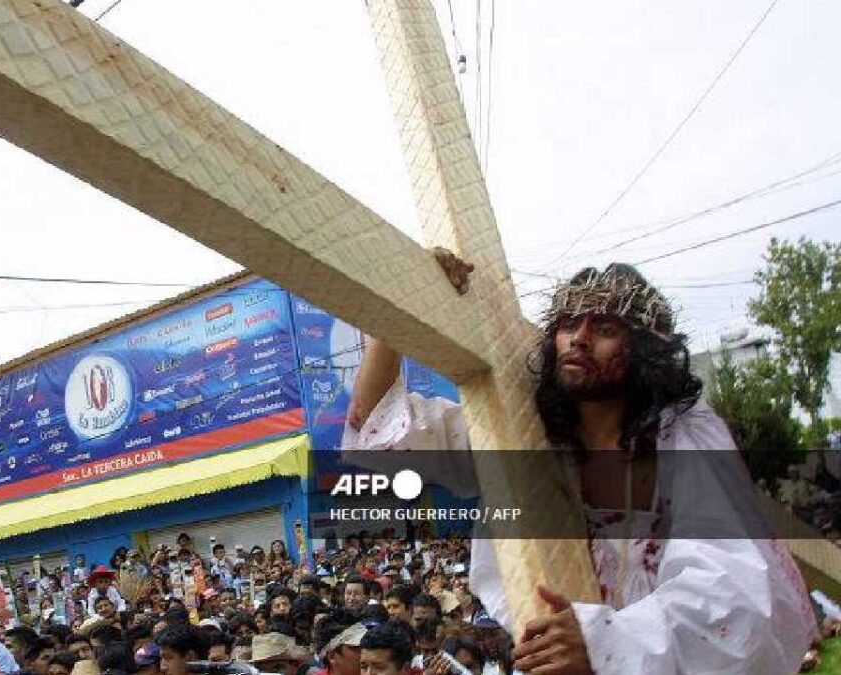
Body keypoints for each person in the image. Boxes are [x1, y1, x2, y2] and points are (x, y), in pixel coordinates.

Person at [346, 261, 817, 674]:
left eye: (606, 327)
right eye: (569, 322)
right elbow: (378, 426)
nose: (581, 338)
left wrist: (604, 642)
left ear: (646, 350)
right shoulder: (523, 432)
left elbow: (730, 591)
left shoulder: (684, 435)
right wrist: (405, 302)